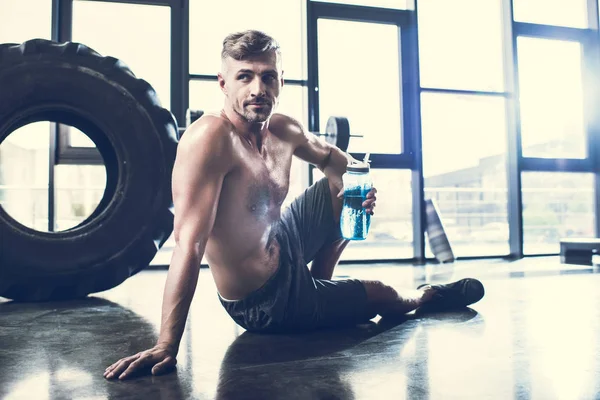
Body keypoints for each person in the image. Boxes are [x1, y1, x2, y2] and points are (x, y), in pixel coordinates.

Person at [104, 30, 485, 381]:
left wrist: (359, 193)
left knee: (345, 184)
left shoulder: (284, 130)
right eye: (245, 76)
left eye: (268, 76)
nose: (258, 88)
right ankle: (428, 296)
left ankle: (324, 283)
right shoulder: (210, 140)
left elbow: (341, 164)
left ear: (280, 82)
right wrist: (167, 344)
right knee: (387, 296)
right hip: (267, 302)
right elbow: (189, 243)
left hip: (283, 242)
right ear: (223, 83)